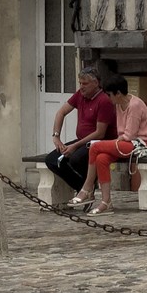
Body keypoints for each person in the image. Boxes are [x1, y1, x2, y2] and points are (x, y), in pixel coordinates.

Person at [83, 67, 147, 214]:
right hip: (125, 142)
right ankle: (106, 201)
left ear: (118, 94)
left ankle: (87, 188)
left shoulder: (135, 105)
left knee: (95, 147)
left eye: (110, 95)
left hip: (140, 144)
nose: (108, 98)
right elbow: (122, 132)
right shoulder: (118, 105)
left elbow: (129, 135)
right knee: (101, 159)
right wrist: (117, 141)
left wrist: (115, 141)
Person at [42, 61, 116, 204]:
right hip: (82, 141)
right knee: (52, 160)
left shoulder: (103, 101)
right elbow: (61, 112)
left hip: (98, 142)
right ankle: (83, 188)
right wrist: (56, 137)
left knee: (75, 158)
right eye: (80, 83)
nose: (81, 87)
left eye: (85, 84)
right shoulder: (80, 96)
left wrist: (74, 146)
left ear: (95, 84)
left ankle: (86, 190)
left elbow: (100, 133)